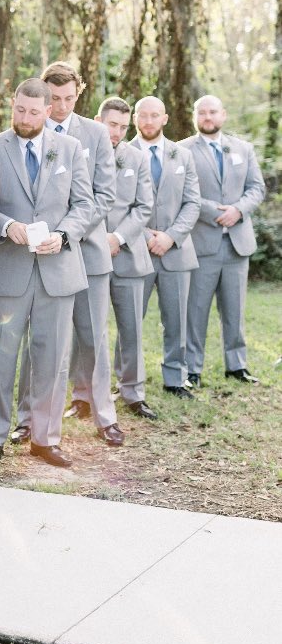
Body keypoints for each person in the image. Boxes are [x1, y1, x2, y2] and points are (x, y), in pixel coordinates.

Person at [0, 78, 93, 469]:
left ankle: (45, 438)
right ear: (12, 105)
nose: (25, 118)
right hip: (8, 270)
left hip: (56, 272)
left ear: (49, 111)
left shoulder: (71, 149)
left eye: (34, 112)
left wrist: (63, 236)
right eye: (19, 110)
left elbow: (85, 205)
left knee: (52, 357)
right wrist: (4, 225)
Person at [37, 62, 122, 445]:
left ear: (80, 91)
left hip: (87, 250)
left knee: (94, 336)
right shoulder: (31, 128)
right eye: (54, 99)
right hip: (43, 254)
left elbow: (105, 195)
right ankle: (34, 418)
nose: (62, 107)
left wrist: (67, 231)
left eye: (69, 98)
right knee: (46, 339)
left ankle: (105, 414)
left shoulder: (96, 133)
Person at [180, 95, 265, 386]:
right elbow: (183, 193)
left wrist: (238, 210)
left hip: (237, 244)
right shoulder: (182, 151)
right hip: (202, 242)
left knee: (235, 309)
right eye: (201, 112)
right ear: (195, 116)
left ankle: (237, 365)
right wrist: (215, 212)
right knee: (196, 310)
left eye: (212, 112)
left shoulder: (244, 148)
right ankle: (192, 368)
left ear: (223, 115)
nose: (207, 117)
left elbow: (256, 188)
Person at [130, 96, 200, 398]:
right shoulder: (122, 153)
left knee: (177, 319)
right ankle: (129, 381)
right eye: (143, 115)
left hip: (176, 251)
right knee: (131, 319)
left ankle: (175, 378)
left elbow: (192, 202)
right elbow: (118, 206)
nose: (148, 121)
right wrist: (146, 236)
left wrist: (171, 236)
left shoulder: (182, 155)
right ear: (135, 118)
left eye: (154, 115)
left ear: (165, 118)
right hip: (136, 250)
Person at [95, 97, 157, 419]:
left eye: (122, 126)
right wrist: (97, 239)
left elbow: (144, 207)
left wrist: (117, 237)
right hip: (90, 256)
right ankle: (87, 395)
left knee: (131, 328)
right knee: (90, 330)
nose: (117, 132)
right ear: (98, 120)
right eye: (111, 124)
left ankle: (133, 392)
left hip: (129, 256)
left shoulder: (137, 157)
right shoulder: (82, 151)